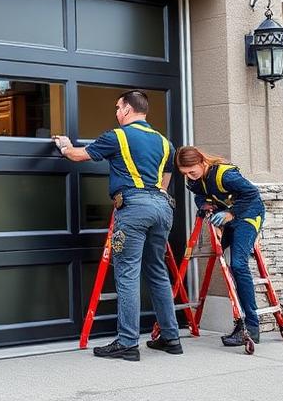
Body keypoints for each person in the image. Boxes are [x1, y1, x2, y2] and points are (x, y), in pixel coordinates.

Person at [53, 90, 180, 361]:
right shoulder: (165, 142)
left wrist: (64, 145)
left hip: (134, 208)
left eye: (118, 107)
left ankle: (127, 343)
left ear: (127, 110)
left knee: (127, 274)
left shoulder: (117, 136)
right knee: (157, 271)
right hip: (161, 206)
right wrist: (152, 197)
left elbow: (78, 156)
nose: (116, 112)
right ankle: (171, 338)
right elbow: (167, 175)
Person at [175, 145, 265, 346]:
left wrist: (231, 214)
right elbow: (200, 195)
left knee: (238, 265)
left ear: (202, 162)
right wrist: (204, 206)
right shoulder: (194, 179)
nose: (189, 176)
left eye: (192, 171)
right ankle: (239, 322)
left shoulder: (225, 175)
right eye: (185, 173)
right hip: (227, 219)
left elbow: (252, 194)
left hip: (248, 215)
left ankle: (251, 326)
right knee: (217, 258)